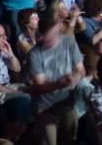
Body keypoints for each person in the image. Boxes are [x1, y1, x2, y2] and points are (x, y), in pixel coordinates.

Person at [26, 13, 86, 145]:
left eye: (51, 35)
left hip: (68, 104)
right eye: (45, 35)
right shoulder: (35, 54)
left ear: (58, 29)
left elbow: (80, 69)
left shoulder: (69, 42)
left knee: (69, 140)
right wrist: (60, 84)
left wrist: (75, 78)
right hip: (46, 108)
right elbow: (39, 86)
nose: (48, 39)